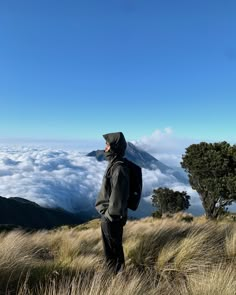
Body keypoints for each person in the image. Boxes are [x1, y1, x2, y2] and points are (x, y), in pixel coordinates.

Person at [95, 132, 129, 274]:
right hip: (110, 217)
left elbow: (118, 196)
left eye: (107, 145)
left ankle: (117, 280)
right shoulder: (114, 164)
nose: (105, 148)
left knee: (113, 252)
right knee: (111, 250)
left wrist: (108, 215)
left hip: (111, 219)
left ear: (114, 147)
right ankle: (115, 276)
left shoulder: (118, 168)